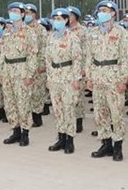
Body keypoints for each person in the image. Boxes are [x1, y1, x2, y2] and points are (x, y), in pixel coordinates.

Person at [86, 0, 128, 162]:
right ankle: (106, 144)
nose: (101, 13)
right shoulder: (93, 32)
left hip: (114, 77)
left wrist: (123, 79)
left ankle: (117, 145)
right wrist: (89, 77)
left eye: (105, 10)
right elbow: (88, 57)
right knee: (100, 113)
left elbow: (126, 58)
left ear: (113, 13)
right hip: (97, 76)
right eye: (100, 10)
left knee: (116, 113)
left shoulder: (121, 32)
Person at [0, 2, 39, 147]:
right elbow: (3, 54)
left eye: (16, 11)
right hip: (8, 70)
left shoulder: (29, 32)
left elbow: (32, 55)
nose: (13, 13)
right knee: (10, 103)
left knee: (23, 103)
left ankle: (25, 133)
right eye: (11, 11)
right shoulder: (7, 31)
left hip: (22, 70)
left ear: (22, 14)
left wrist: (29, 74)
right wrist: (2, 72)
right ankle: (15, 131)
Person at [45, 8, 83, 154]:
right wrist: (49, 77)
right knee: (58, 109)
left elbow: (77, 59)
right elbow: (48, 59)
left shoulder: (72, 37)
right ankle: (61, 138)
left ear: (66, 20)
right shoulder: (51, 37)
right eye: (55, 19)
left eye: (60, 19)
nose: (57, 22)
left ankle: (70, 140)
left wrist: (76, 78)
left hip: (68, 77)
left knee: (68, 109)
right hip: (54, 77)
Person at [25, 3, 49, 127]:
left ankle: (37, 117)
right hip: (25, 66)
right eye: (25, 13)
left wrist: (42, 64)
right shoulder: (22, 29)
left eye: (29, 13)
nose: (26, 15)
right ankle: (28, 117)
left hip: (37, 65)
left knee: (37, 92)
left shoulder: (40, 29)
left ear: (34, 14)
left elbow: (44, 47)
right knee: (26, 92)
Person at [66, 6, 86, 134]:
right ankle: (68, 122)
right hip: (65, 69)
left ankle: (78, 121)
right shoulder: (64, 30)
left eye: (70, 15)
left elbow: (86, 51)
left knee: (78, 96)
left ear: (75, 17)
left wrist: (84, 68)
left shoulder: (83, 31)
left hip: (79, 67)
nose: (68, 18)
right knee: (68, 97)